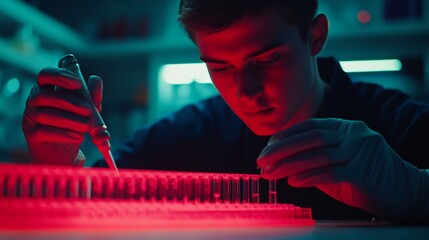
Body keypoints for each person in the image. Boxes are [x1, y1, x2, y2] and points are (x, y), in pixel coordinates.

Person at [22, 0, 429, 223]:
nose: (244, 91)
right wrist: (56, 165)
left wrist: (416, 192)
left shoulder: (394, 120)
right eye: (219, 66)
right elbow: (91, 198)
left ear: (315, 36)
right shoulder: (189, 132)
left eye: (267, 59)